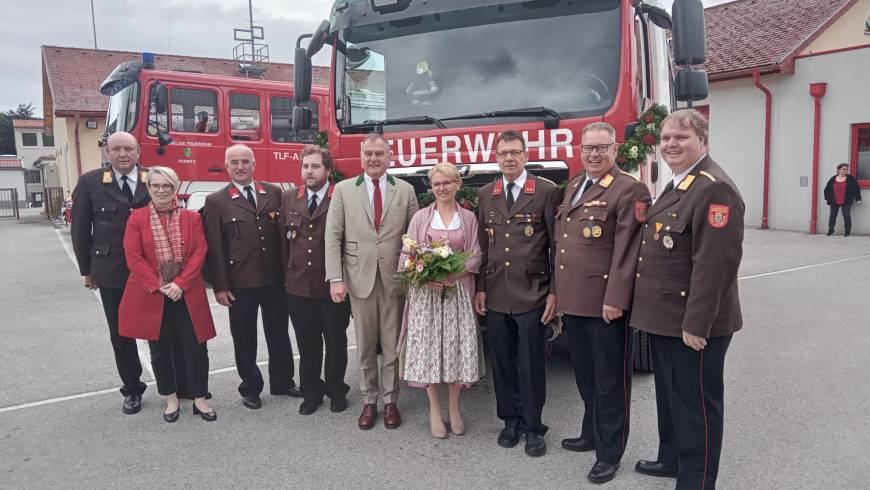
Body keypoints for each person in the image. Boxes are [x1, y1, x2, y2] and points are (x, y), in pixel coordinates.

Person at [630, 109, 744, 489]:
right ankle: (671, 459)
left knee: (696, 407)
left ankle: (697, 481)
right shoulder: (681, 182)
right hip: (666, 319)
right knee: (670, 397)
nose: (671, 144)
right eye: (665, 138)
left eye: (681, 137)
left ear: (703, 141)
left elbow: (714, 267)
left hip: (692, 324)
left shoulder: (714, 187)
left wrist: (698, 324)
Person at [555, 122, 651, 483]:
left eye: (601, 148)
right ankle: (591, 432)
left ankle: (609, 453)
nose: (593, 154)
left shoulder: (630, 190)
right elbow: (564, 244)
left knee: (611, 381)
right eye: (587, 148)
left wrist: (616, 299)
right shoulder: (576, 184)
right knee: (586, 375)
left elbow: (630, 252)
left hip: (605, 305)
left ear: (615, 149)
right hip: (575, 301)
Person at [70, 131, 191, 414]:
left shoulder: (155, 178)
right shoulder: (91, 182)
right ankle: (133, 389)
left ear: (139, 152)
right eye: (116, 149)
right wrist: (86, 271)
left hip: (156, 270)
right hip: (112, 271)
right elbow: (80, 230)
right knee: (121, 332)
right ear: (107, 153)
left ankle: (177, 384)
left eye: (128, 149)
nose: (122, 154)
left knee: (165, 330)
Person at [474, 130, 560, 457]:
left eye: (515, 152)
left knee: (531, 363)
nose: (509, 158)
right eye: (503, 153)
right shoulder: (486, 193)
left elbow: (557, 247)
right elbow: (482, 246)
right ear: (496, 158)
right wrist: (480, 288)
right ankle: (510, 420)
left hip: (532, 293)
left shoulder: (545, 192)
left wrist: (554, 292)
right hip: (496, 293)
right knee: (503, 363)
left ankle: (534, 426)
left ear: (525, 155)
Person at [325, 133, 419, 430]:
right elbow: (333, 237)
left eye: (380, 154)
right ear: (361, 157)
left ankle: (390, 401)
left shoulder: (405, 190)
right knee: (365, 345)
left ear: (389, 157)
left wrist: (414, 274)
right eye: (369, 154)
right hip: (358, 278)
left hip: (395, 278)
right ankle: (369, 401)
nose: (374, 159)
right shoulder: (342, 190)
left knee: (392, 345)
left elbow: (414, 236)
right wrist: (336, 279)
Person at [202, 144, 299, 410]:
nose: (240, 166)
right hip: (239, 283)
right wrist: (220, 286)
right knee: (244, 338)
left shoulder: (274, 192)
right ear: (227, 166)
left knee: (279, 333)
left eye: (245, 161)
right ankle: (251, 388)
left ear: (254, 165)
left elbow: (281, 236)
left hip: (274, 280)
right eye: (234, 162)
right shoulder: (216, 201)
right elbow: (215, 248)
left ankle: (283, 381)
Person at [118, 167, 217, 422]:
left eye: (167, 186)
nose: (161, 190)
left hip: (187, 291)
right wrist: (159, 284)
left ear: (175, 189)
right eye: (156, 186)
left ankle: (199, 399)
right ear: (149, 188)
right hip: (155, 293)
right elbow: (133, 257)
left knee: (196, 348)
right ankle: (171, 399)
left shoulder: (191, 218)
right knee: (160, 350)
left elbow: (199, 251)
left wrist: (181, 283)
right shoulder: (137, 218)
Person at [398, 163, 483, 439]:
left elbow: (476, 254)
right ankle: (434, 410)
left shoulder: (468, 218)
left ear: (457, 184)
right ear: (431, 187)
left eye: (447, 182)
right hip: (427, 295)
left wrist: (455, 273)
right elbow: (407, 255)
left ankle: (455, 408)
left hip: (457, 292)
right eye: (437, 184)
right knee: (431, 349)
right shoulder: (421, 217)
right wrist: (425, 274)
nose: (442, 188)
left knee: (456, 349)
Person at [282, 146, 352, 415]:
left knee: (335, 342)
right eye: (305, 167)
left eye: (314, 166)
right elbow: (282, 243)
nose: (308, 172)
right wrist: (284, 280)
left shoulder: (341, 196)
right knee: (307, 344)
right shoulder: (290, 198)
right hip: (298, 286)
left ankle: (336, 390)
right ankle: (311, 392)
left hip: (332, 286)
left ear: (328, 170)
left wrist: (343, 279)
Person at [823, 163, 862, 236]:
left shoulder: (851, 179)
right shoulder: (833, 179)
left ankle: (847, 231)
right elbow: (826, 189)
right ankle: (830, 230)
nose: (845, 171)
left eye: (846, 169)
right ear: (838, 170)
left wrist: (858, 198)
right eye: (843, 169)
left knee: (846, 215)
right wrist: (827, 198)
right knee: (832, 215)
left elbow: (856, 189)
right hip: (834, 201)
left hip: (846, 201)